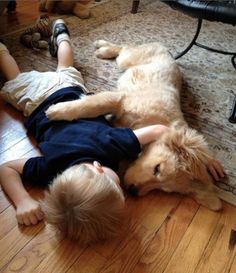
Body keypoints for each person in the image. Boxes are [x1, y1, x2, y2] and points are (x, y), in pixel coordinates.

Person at [0, 19, 225, 245]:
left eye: (117, 185)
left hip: (51, 97)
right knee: (28, 74)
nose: (125, 185)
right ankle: (54, 37)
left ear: (99, 169)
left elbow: (159, 130)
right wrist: (23, 201)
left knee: (40, 74)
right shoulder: (52, 170)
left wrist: (199, 158)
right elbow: (6, 168)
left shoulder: (110, 143)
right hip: (44, 100)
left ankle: (51, 38)